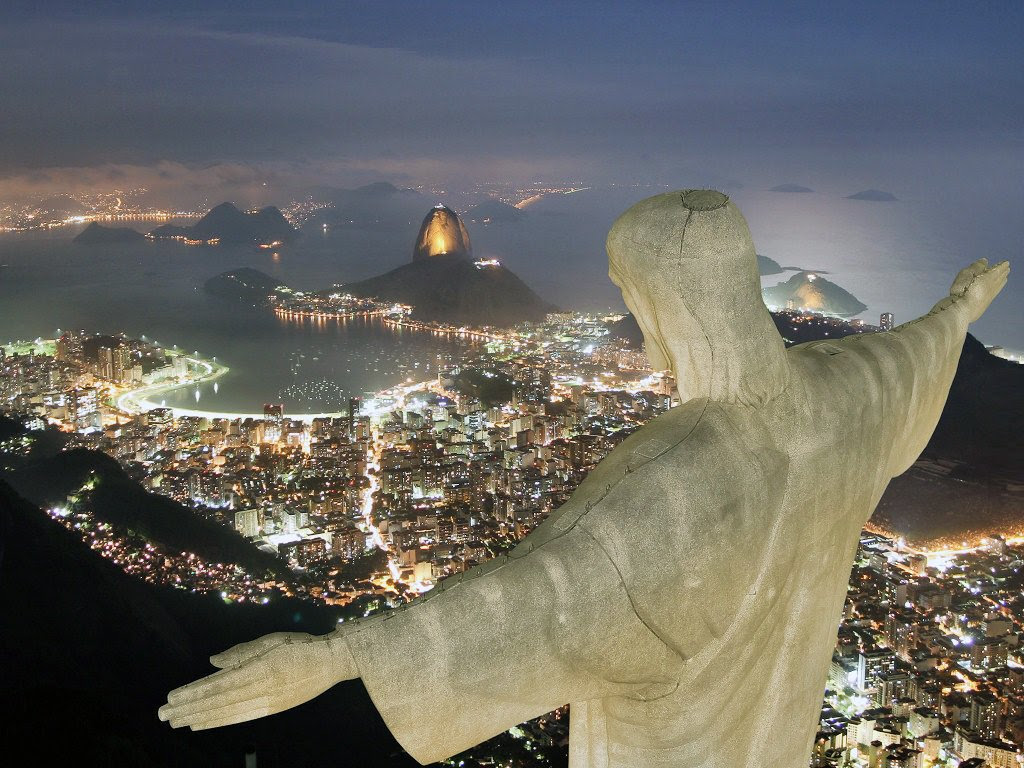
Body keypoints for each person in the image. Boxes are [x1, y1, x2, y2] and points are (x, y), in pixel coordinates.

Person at [159, 189, 1009, 768]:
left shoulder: (678, 480)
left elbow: (539, 598)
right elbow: (912, 355)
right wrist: (960, 309)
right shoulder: (843, 396)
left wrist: (337, 659)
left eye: (634, 301)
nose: (638, 334)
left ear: (667, 305)